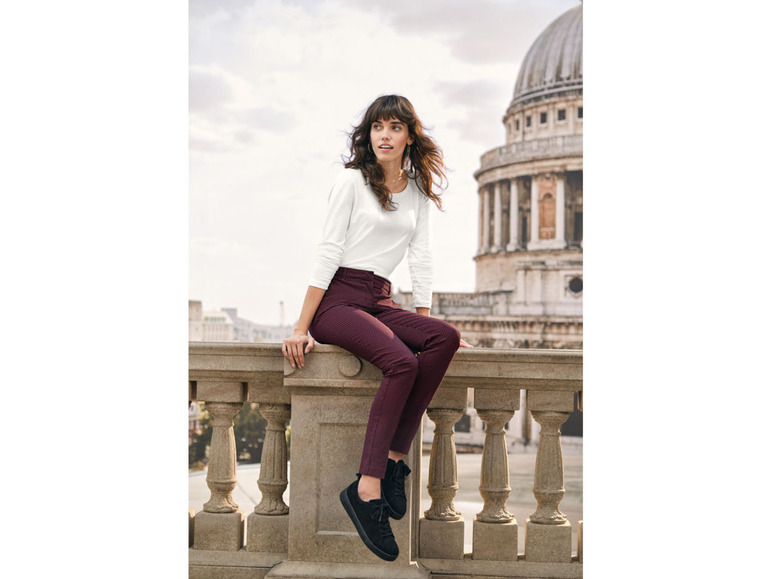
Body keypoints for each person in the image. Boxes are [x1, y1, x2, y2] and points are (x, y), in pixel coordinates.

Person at [282, 94, 471, 562]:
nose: (384, 135)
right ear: (368, 135)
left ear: (409, 136)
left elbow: (421, 257)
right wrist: (301, 326)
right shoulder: (351, 182)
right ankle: (367, 489)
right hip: (338, 300)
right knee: (401, 364)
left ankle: (393, 460)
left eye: (394, 127)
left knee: (444, 338)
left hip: (381, 298)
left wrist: (422, 322)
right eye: (377, 127)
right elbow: (329, 251)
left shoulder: (418, 191)